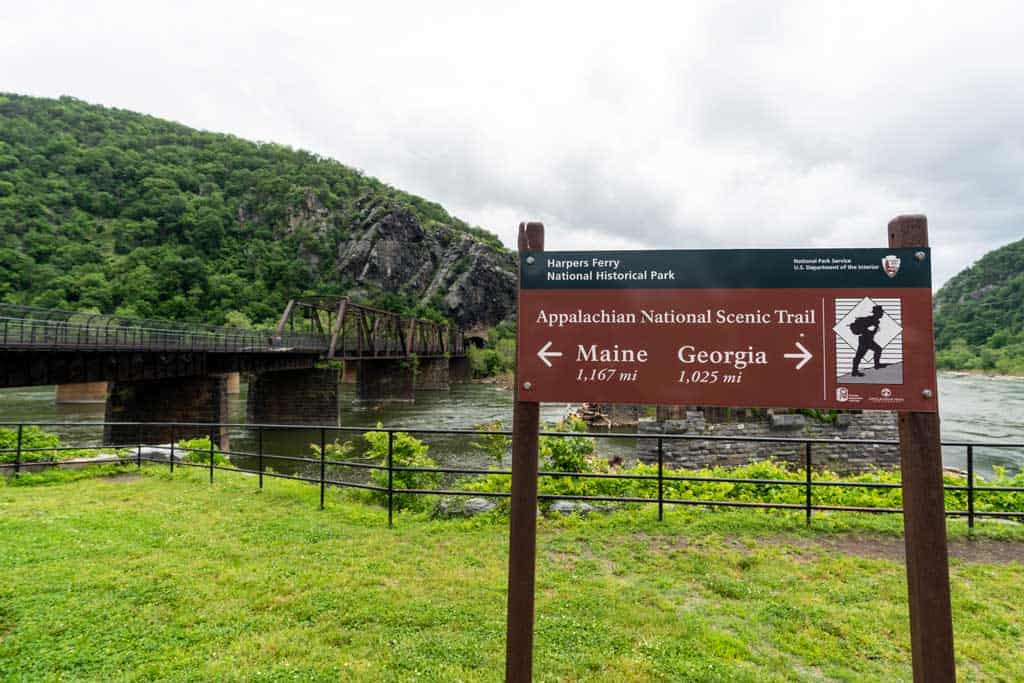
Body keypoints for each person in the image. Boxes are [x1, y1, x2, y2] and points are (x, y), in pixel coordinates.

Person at [849, 304, 888, 377]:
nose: (882, 314)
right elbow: (859, 326)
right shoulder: (870, 319)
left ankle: (877, 365)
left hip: (868, 340)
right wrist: (866, 331)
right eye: (881, 313)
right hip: (864, 340)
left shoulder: (875, 320)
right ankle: (854, 372)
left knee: (878, 349)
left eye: (882, 312)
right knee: (859, 356)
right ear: (877, 313)